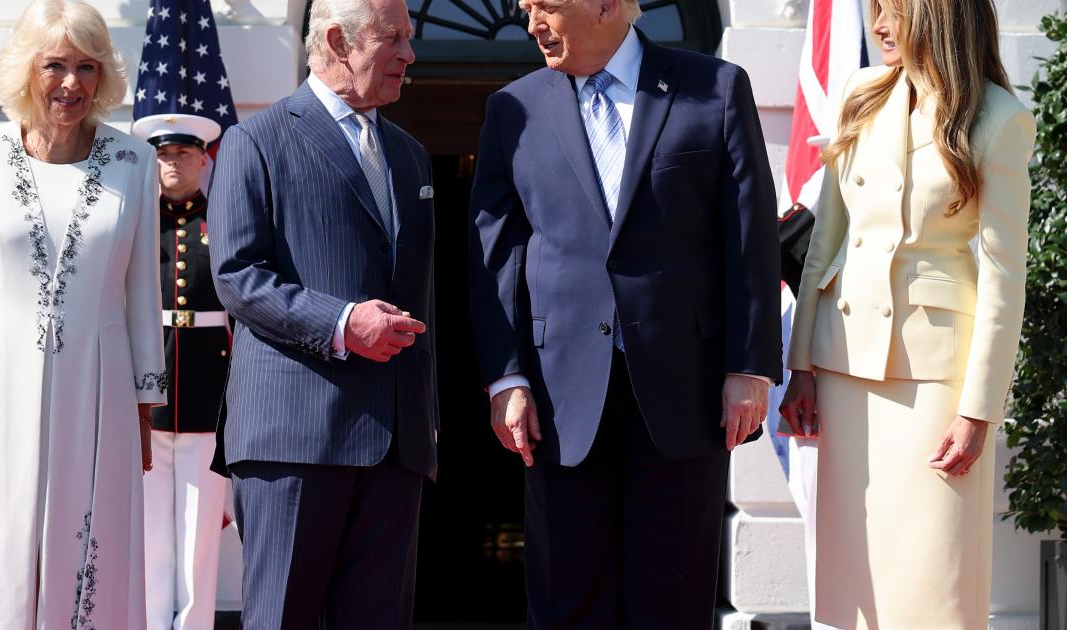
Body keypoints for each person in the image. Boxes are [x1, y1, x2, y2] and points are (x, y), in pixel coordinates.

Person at [467, 0, 781, 625]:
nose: (531, 24)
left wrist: (749, 365)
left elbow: (748, 239)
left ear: (606, 5)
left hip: (684, 389)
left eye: (544, 7)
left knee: (672, 598)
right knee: (566, 600)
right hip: (557, 400)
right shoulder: (513, 108)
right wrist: (506, 377)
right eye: (525, 8)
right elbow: (493, 254)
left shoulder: (714, 88)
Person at [0, 0, 164, 627]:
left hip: (98, 390)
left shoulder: (136, 163)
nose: (71, 84)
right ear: (27, 71)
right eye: (55, 66)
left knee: (90, 549)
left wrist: (144, 405)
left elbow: (141, 291)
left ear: (103, 77)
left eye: (86, 67)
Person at [779, 0, 1035, 626]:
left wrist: (978, 410)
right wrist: (801, 365)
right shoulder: (861, 95)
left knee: (933, 589)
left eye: (894, 12)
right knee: (855, 591)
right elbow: (824, 246)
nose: (879, 27)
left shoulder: (998, 119)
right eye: (876, 11)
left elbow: (1005, 277)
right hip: (844, 371)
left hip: (935, 389)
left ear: (941, 17)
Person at [206, 0, 437, 626]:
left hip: (395, 447)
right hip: (292, 439)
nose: (410, 56)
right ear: (339, 40)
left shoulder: (411, 156)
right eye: (393, 39)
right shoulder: (253, 141)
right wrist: (341, 323)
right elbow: (237, 275)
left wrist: (425, 425)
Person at [131, 113, 228, 630]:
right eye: (164, 156)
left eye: (183, 155)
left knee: (198, 538)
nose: (173, 164)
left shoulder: (225, 221)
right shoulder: (136, 222)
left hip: (207, 398)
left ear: (203, 158)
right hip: (148, 400)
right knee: (149, 534)